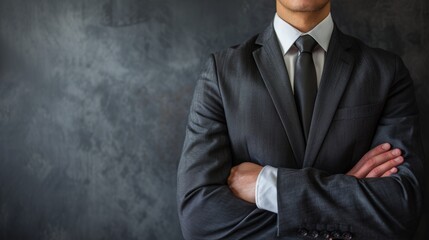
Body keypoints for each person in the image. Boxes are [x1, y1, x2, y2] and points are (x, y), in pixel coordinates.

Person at [177, 0, 425, 239]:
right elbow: (199, 220)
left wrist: (268, 187)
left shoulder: (386, 72)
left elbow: (401, 210)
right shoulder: (221, 73)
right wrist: (343, 202)